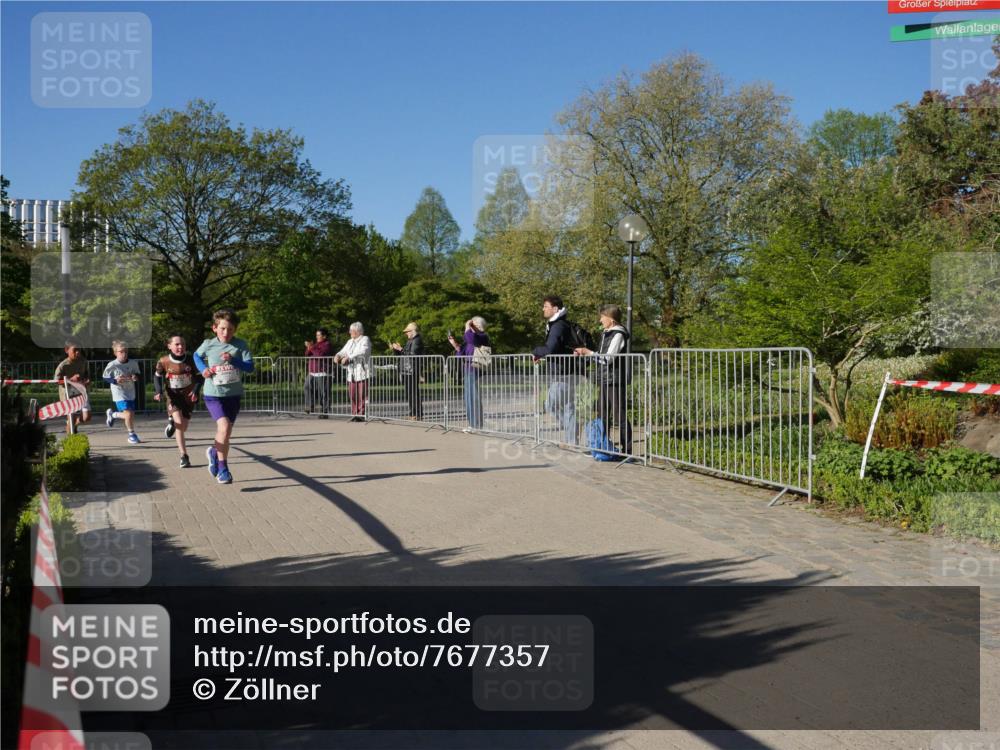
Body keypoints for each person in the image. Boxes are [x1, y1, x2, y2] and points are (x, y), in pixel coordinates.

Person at [194, 309, 255, 484]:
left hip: (233, 395)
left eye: (230, 329)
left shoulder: (240, 345)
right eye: (222, 328)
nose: (226, 332)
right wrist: (203, 370)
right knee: (225, 426)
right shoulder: (209, 344)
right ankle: (223, 469)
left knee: (225, 433)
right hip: (213, 394)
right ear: (215, 328)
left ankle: (214, 452)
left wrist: (233, 360)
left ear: (235, 329)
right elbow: (196, 355)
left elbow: (250, 367)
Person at [574, 304, 632, 456]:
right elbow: (600, 357)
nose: (600, 320)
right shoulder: (606, 333)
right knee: (602, 414)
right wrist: (585, 353)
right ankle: (601, 446)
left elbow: (608, 359)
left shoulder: (618, 334)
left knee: (619, 415)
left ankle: (627, 452)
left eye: (602, 317)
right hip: (605, 379)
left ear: (611, 319)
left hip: (615, 380)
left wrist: (588, 352)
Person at [532, 295, 579, 445]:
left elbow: (550, 349)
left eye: (546, 306)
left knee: (551, 405)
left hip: (562, 373)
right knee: (567, 407)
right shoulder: (560, 324)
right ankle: (572, 440)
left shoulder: (558, 326)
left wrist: (535, 351)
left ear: (555, 309)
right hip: (567, 371)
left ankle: (573, 431)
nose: (543, 309)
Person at [154, 334, 202, 468]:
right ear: (169, 346)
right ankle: (184, 456)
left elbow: (200, 378)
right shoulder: (163, 361)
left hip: (188, 397)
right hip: (173, 396)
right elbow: (157, 376)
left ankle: (172, 423)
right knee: (180, 423)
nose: (180, 347)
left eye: (183, 344)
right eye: (177, 344)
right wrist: (158, 391)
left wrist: (196, 390)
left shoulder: (191, 360)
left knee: (183, 427)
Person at [448, 316, 490, 432]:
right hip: (468, 370)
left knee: (474, 398)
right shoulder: (472, 338)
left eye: (472, 324)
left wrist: (467, 326)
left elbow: (470, 338)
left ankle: (476, 425)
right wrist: (455, 344)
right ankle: (472, 424)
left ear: (478, 326)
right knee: (468, 398)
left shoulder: (482, 336)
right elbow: (462, 353)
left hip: (475, 370)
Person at [102, 341, 143, 444]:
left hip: (130, 392)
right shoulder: (112, 364)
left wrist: (135, 377)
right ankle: (132, 435)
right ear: (115, 353)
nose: (124, 354)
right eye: (121, 352)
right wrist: (115, 381)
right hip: (119, 393)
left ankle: (113, 415)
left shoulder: (133, 363)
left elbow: (138, 374)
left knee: (130, 415)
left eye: (126, 351)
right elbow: (105, 377)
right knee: (128, 414)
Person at [334, 322, 371, 422]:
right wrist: (337, 355)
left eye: (351, 330)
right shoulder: (350, 341)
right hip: (352, 373)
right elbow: (343, 351)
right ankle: (354, 414)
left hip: (362, 372)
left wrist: (349, 357)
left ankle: (361, 414)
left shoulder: (365, 339)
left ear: (357, 331)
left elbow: (363, 351)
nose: (350, 332)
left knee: (362, 395)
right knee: (353, 394)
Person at [53, 339, 92, 433]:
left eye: (79, 350)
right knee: (71, 418)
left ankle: (74, 424)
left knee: (87, 417)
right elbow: (56, 381)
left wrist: (87, 380)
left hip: (81, 393)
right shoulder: (63, 365)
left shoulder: (83, 361)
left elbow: (87, 375)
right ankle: (71, 437)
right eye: (75, 350)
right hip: (68, 394)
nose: (77, 352)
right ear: (67, 350)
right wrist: (70, 380)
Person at [391, 322, 424, 420]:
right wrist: (396, 349)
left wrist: (400, 349)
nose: (406, 333)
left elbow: (413, 354)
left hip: (412, 369)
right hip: (407, 369)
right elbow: (404, 354)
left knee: (413, 392)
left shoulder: (417, 340)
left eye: (408, 331)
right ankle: (412, 413)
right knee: (409, 393)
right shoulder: (411, 340)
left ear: (413, 331)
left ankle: (417, 414)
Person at [304, 327, 334, 418]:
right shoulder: (315, 345)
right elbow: (307, 354)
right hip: (312, 371)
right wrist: (309, 347)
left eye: (318, 335)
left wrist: (312, 347)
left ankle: (324, 412)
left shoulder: (327, 344)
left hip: (323, 372)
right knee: (307, 387)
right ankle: (310, 406)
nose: (317, 337)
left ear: (324, 336)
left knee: (323, 393)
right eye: (316, 335)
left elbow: (320, 355)